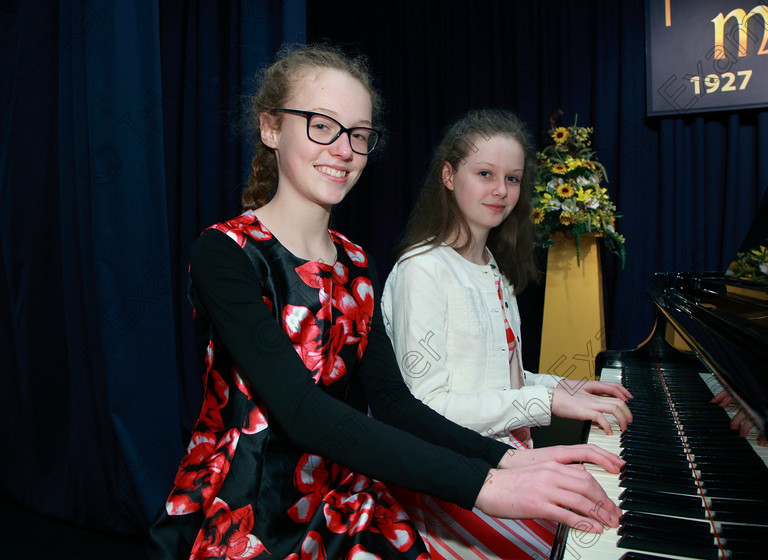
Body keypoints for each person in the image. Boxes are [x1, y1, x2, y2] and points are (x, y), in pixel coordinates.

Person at [147, 46, 625, 559]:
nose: (344, 149)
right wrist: (488, 485)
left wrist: (509, 462)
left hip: (342, 499)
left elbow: (395, 404)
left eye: (357, 134)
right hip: (245, 508)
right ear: (270, 128)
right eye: (321, 125)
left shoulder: (356, 262)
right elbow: (303, 413)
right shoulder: (225, 252)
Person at [381, 108, 633, 558]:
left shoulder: (491, 266)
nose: (501, 191)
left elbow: (500, 381)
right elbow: (425, 409)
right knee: (591, 534)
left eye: (513, 178)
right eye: (485, 173)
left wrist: (564, 386)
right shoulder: (422, 269)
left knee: (606, 510)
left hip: (509, 454)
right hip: (454, 474)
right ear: (448, 175)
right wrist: (548, 401)